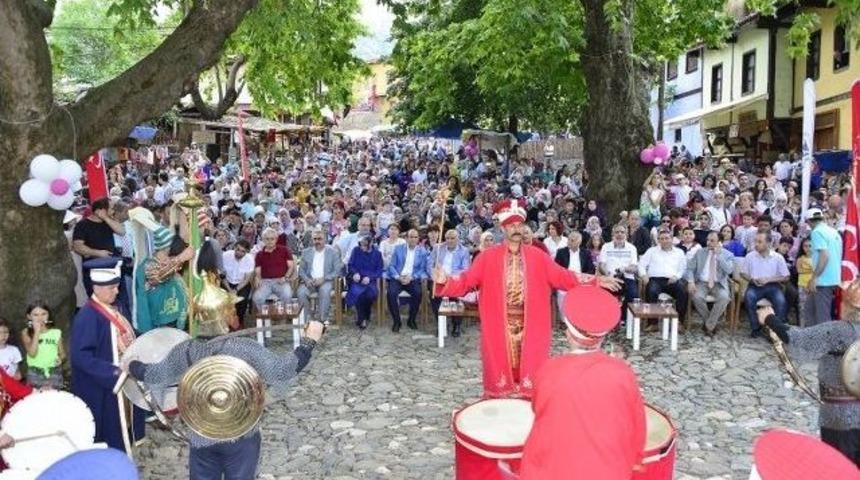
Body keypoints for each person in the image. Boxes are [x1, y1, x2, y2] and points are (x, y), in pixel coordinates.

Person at [431, 199, 620, 397]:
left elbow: (564, 276)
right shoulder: (487, 257)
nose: (516, 228)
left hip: (532, 324)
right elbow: (466, 281)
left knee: (531, 373)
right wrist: (445, 279)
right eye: (511, 225)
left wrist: (595, 281)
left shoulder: (538, 257)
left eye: (519, 224)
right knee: (499, 370)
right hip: (499, 324)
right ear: (503, 228)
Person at [126, 300, 325, 479]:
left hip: (202, 432)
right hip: (241, 436)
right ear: (226, 317)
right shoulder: (245, 348)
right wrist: (309, 341)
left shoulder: (186, 350)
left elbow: (154, 375)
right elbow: (283, 371)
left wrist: (132, 364)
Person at [520, 287, 645, 479]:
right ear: (603, 337)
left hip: (550, 471)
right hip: (607, 472)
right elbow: (637, 428)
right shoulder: (622, 373)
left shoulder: (548, 370)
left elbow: (538, 409)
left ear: (569, 335)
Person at [757, 301, 860, 466]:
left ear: (847, 305)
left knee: (839, 469)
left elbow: (800, 339)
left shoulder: (839, 330)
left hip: (839, 417)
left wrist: (769, 318)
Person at [70, 257, 144, 452]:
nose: (117, 291)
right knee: (110, 432)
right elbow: (80, 357)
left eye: (117, 286)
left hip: (121, 380)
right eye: (112, 287)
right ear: (97, 288)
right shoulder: (87, 316)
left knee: (123, 427)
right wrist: (114, 373)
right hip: (105, 387)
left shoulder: (113, 308)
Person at [134, 226, 194, 334]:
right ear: (166, 248)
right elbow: (159, 275)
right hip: (160, 323)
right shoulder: (149, 265)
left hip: (173, 319)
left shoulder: (167, 264)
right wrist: (181, 257)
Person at [72, 197, 125, 295]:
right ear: (100, 210)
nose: (113, 211)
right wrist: (98, 253)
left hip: (112, 266)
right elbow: (78, 246)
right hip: (94, 268)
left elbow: (122, 231)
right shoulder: (82, 225)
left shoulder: (108, 221)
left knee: (117, 297)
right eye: (111, 208)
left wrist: (105, 218)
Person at [686, 231, 735, 336]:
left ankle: (708, 325)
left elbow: (729, 270)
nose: (708, 243)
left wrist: (719, 256)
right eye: (707, 240)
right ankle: (712, 324)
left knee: (724, 297)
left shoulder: (728, 254)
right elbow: (689, 269)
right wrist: (690, 281)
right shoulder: (700, 252)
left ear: (719, 242)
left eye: (712, 241)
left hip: (719, 283)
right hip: (702, 282)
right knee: (696, 296)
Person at [742, 232, 790, 338]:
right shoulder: (750, 256)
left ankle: (776, 330)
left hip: (773, 286)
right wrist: (751, 279)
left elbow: (786, 277)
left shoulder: (778, 257)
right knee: (749, 297)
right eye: (755, 241)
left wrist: (769, 280)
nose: (756, 244)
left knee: (781, 301)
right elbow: (743, 273)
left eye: (759, 242)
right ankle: (756, 328)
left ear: (768, 243)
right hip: (755, 285)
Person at [639, 229, 689, 324]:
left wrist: (676, 277)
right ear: (658, 240)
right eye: (661, 239)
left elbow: (683, 268)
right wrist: (643, 275)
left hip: (672, 280)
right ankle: (653, 323)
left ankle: (679, 322)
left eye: (667, 238)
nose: (664, 241)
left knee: (683, 291)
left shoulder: (679, 252)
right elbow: (641, 264)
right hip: (655, 280)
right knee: (651, 291)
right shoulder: (651, 251)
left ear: (671, 239)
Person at [428, 229, 471, 337]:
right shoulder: (437, 248)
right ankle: (440, 323)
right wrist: (435, 274)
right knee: (434, 295)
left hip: (454, 280)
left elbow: (465, 269)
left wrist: (449, 276)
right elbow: (429, 264)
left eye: (452, 238)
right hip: (439, 279)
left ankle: (456, 325)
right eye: (447, 238)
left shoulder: (464, 250)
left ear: (458, 239)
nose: (449, 241)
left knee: (457, 297)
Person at [386, 229, 430, 332]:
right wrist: (398, 277)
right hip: (398, 277)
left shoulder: (422, 251)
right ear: (406, 238)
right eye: (411, 237)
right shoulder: (398, 249)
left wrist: (412, 277)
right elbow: (391, 265)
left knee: (418, 293)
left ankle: (411, 319)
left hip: (412, 278)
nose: (413, 239)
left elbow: (422, 269)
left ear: (418, 239)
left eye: (415, 237)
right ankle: (397, 321)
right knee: (391, 293)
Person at [806, 208, 842, 326]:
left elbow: (824, 255)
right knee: (810, 311)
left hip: (822, 280)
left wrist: (814, 278)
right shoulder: (833, 231)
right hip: (833, 277)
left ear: (809, 221)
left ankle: (825, 343)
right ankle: (810, 339)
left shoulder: (816, 232)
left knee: (822, 317)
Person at [297, 230, 342, 326]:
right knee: (301, 292)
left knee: (324, 290)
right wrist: (307, 280)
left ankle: (322, 320)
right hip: (310, 281)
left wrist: (324, 278)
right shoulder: (306, 252)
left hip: (326, 280)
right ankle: (306, 320)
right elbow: (301, 270)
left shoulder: (333, 252)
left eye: (320, 239)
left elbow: (337, 270)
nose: (317, 241)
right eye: (315, 239)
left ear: (325, 239)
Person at [20, 301, 65, 389]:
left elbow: (62, 354)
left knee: (54, 398)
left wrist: (60, 359)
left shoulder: (56, 332)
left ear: (48, 315)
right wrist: (37, 332)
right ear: (29, 316)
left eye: (43, 314)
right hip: (35, 373)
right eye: (35, 315)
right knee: (36, 399)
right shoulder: (26, 332)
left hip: (54, 371)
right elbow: (32, 353)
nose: (40, 317)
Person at [598, 225, 639, 318]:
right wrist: (607, 274)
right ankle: (607, 317)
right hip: (610, 277)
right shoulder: (606, 246)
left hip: (627, 277)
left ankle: (623, 317)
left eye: (622, 232)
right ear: (613, 234)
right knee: (602, 292)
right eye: (617, 232)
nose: (619, 234)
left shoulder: (632, 248)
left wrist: (625, 269)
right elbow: (602, 265)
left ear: (626, 234)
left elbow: (634, 267)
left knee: (633, 294)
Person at [345, 234, 383, 330]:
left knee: (370, 294)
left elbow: (379, 270)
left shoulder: (377, 254)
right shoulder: (356, 250)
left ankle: (367, 313)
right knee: (359, 293)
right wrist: (355, 273)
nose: (362, 247)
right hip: (357, 280)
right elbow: (350, 265)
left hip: (371, 281)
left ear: (370, 244)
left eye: (364, 245)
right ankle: (362, 319)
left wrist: (370, 278)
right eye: (361, 244)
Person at [252, 227, 295, 310]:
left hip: (281, 280)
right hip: (265, 282)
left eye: (272, 239)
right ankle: (266, 317)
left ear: (276, 239)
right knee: (257, 298)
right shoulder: (259, 254)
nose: (270, 241)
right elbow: (258, 270)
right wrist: (258, 278)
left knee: (287, 295)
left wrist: (285, 277)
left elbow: (291, 267)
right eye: (267, 239)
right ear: (263, 240)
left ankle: (284, 317)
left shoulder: (284, 250)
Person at [223, 239, 256, 325]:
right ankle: (225, 322)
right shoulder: (225, 256)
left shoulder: (250, 259)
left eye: (242, 251)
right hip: (226, 282)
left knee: (242, 300)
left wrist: (236, 290)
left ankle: (240, 322)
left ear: (247, 252)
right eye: (237, 249)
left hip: (241, 284)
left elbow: (246, 279)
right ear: (234, 247)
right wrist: (229, 289)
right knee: (224, 300)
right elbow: (222, 276)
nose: (239, 253)